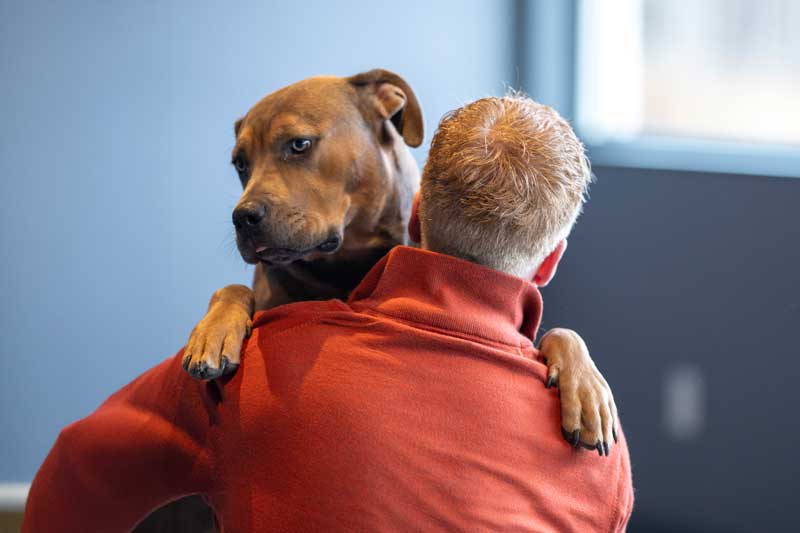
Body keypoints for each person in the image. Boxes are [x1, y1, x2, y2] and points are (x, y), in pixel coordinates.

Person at [24, 95, 633, 532]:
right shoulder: (598, 461)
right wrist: (232, 300)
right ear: (550, 259)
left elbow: (75, 469)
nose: (248, 198)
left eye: (299, 148)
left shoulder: (253, 379)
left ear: (415, 212)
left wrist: (565, 344)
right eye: (245, 166)